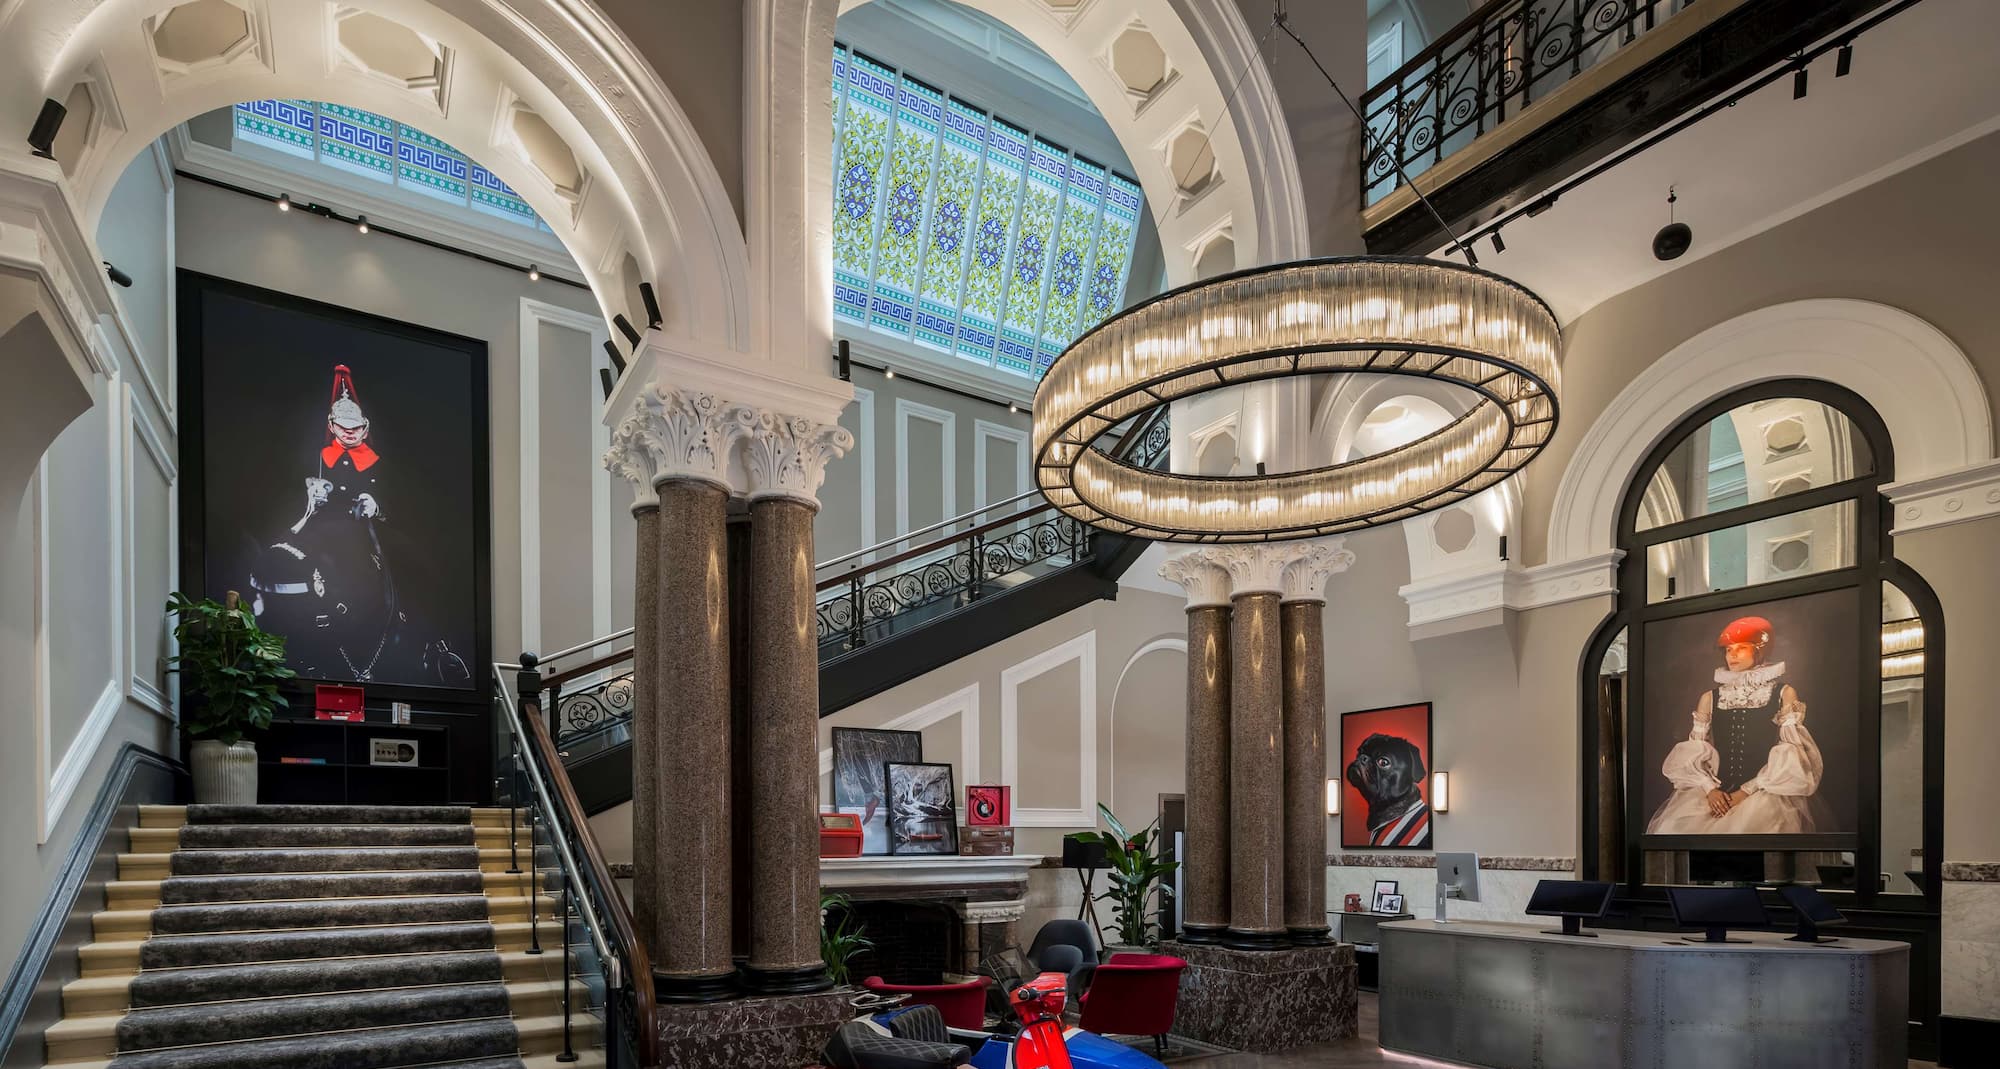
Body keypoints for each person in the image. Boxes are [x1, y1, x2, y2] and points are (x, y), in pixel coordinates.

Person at [248, 365, 403, 682]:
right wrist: (307, 502)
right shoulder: (311, 459)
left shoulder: (380, 466)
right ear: (331, 426)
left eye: (355, 427)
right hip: (319, 538)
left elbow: (402, 507)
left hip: (365, 540)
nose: (349, 433)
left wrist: (377, 506)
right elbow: (279, 502)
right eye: (342, 427)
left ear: (364, 427)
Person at [1646, 616, 1823, 834]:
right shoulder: (1709, 697)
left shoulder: (1783, 693)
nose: (1733, 655)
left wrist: (1746, 792)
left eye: (1741, 648)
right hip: (1715, 793)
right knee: (1674, 828)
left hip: (1761, 792)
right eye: (1729, 650)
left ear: (1760, 650)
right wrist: (1710, 789)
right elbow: (1695, 751)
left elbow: (1791, 755)